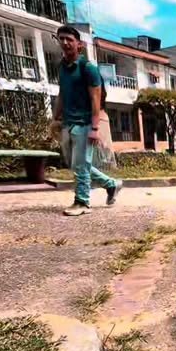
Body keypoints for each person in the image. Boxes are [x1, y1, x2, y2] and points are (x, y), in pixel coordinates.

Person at [51, 25, 122, 216]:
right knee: (78, 164)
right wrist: (54, 118)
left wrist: (95, 128)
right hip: (68, 122)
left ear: (79, 44)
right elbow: (62, 94)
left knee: (81, 165)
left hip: (85, 123)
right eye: (61, 39)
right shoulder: (62, 68)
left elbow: (95, 99)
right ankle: (112, 184)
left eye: (69, 39)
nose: (65, 43)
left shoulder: (87, 68)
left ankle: (82, 202)